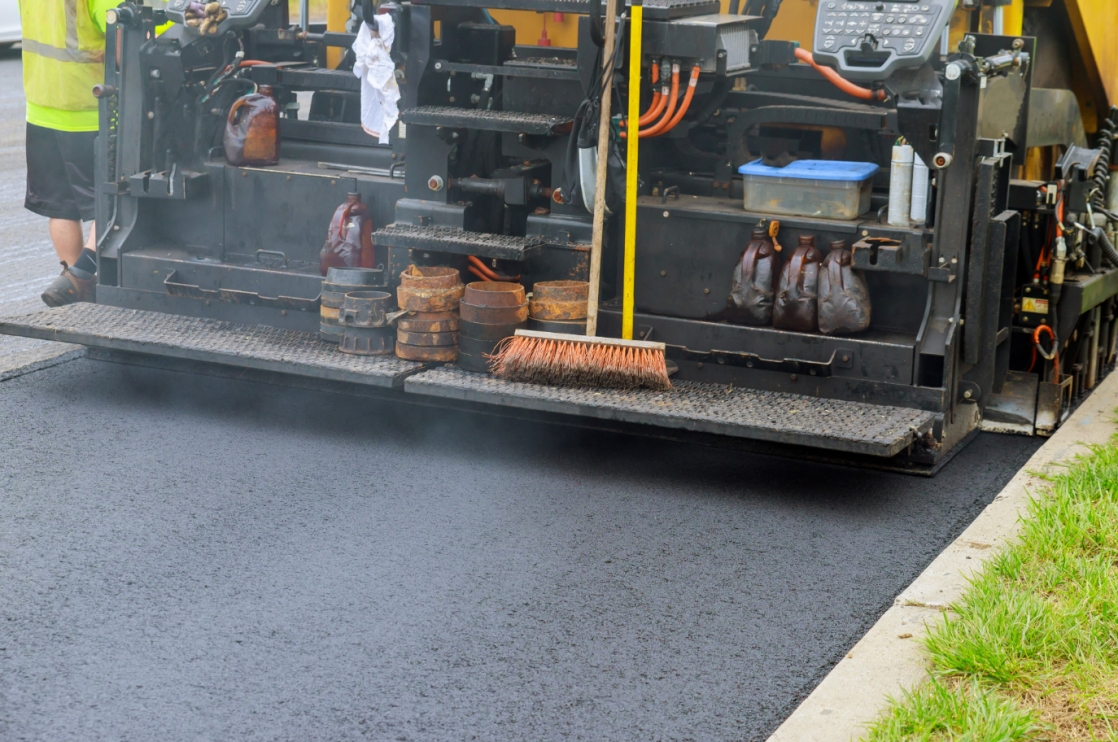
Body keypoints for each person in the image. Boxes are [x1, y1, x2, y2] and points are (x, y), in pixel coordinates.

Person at [20, 0, 120, 307]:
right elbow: (123, 43)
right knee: (113, 199)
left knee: (61, 207)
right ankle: (84, 271)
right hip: (88, 106)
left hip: (42, 104)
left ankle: (76, 287)